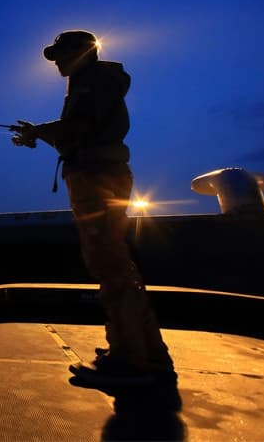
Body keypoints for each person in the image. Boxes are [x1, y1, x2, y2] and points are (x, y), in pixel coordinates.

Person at [10, 29, 174, 386]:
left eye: (62, 55)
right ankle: (147, 353)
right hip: (105, 174)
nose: (57, 63)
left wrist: (39, 133)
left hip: (95, 179)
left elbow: (77, 131)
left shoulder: (90, 81)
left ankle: (131, 362)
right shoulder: (98, 82)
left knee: (109, 266)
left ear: (83, 53)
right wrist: (40, 132)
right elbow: (79, 130)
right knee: (118, 264)